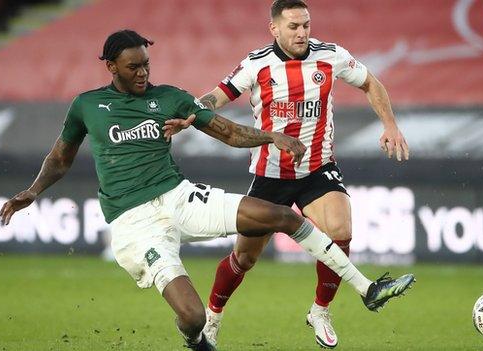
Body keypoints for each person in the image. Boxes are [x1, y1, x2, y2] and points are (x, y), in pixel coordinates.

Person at [0, 30, 414, 351]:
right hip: (134, 222)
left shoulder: (170, 97)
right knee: (193, 317)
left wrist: (271, 136)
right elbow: (60, 157)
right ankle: (199, 339)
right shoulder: (86, 106)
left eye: (146, 64)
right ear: (110, 66)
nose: (143, 73)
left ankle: (366, 289)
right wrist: (33, 191)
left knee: (284, 217)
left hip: (180, 197)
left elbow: (229, 132)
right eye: (133, 67)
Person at [162, 0, 412, 349]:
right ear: (274, 29)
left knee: (341, 229)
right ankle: (214, 317)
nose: (302, 32)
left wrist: (390, 124)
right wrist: (193, 112)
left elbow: (371, 83)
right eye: (293, 26)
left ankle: (320, 311)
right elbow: (217, 97)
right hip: (270, 175)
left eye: (306, 25)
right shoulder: (256, 63)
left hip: (317, 169)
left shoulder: (330, 55)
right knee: (244, 258)